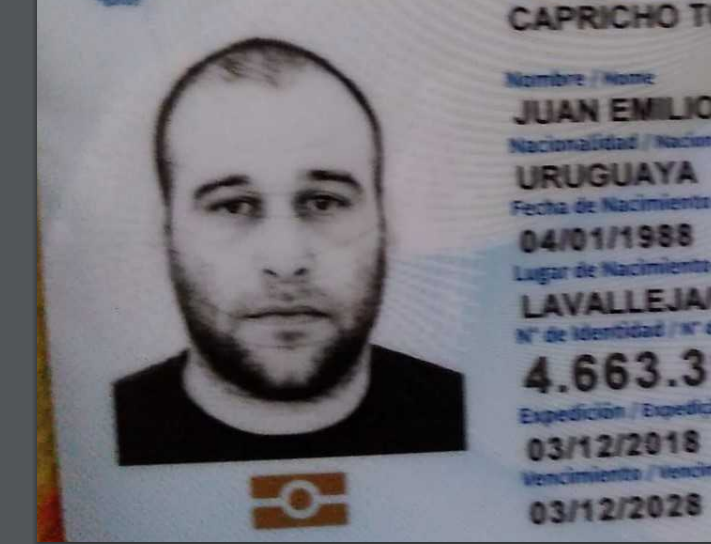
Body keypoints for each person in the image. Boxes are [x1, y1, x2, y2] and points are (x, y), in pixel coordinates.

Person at [114, 38, 465, 466]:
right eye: (233, 206)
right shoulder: (99, 437)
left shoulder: (473, 419)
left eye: (323, 202)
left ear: (386, 220)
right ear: (164, 230)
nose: (285, 262)